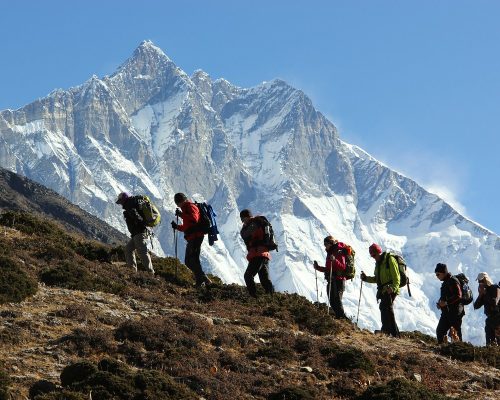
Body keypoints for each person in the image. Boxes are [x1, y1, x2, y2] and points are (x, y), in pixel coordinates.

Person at [171, 193, 211, 287]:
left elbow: (194, 219)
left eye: (178, 203)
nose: (178, 205)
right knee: (191, 261)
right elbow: (187, 227)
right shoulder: (185, 209)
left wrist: (181, 215)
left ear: (182, 201)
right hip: (192, 237)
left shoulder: (190, 206)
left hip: (196, 237)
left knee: (191, 261)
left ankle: (202, 280)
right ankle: (202, 280)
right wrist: (177, 227)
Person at [360, 243, 400, 337]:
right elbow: (377, 279)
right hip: (383, 290)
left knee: (385, 308)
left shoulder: (389, 259)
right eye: (372, 255)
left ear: (379, 252)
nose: (373, 257)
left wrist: (393, 288)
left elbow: (396, 277)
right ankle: (394, 334)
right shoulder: (378, 264)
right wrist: (366, 278)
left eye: (374, 255)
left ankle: (387, 332)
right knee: (386, 309)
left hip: (391, 289)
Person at [115, 192, 154, 274]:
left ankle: (151, 273)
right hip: (137, 232)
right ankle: (132, 271)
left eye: (121, 201)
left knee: (142, 252)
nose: (121, 204)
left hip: (139, 231)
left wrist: (140, 223)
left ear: (124, 200)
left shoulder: (129, 204)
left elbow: (135, 215)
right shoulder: (133, 203)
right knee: (128, 249)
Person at [239, 209, 274, 298]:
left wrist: (245, 229)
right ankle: (272, 299)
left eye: (243, 219)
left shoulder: (254, 224)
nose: (243, 221)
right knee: (264, 280)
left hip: (258, 254)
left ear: (247, 217)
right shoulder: (259, 222)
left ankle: (253, 297)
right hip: (263, 254)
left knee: (248, 276)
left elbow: (246, 235)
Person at [313, 235, 348, 318]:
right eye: (324, 244)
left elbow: (342, 266)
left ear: (331, 243)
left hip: (338, 280)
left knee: (337, 300)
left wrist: (335, 260)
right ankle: (339, 317)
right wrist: (318, 267)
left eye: (326, 244)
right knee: (332, 300)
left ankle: (342, 318)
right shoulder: (330, 253)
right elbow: (329, 269)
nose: (325, 246)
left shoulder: (339, 251)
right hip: (331, 280)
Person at [434, 263, 464, 344]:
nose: (437, 276)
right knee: (440, 332)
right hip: (446, 313)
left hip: (455, 313)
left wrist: (446, 303)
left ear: (443, 272)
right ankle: (443, 351)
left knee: (456, 335)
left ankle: (460, 354)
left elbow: (458, 295)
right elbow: (446, 296)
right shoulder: (445, 282)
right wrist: (440, 303)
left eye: (438, 274)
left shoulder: (453, 281)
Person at [473, 272, 500, 345]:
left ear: (486, 280)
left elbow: (495, 302)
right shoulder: (484, 291)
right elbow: (476, 306)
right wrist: (480, 295)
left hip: (498, 318)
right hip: (489, 319)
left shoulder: (495, 288)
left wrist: (485, 294)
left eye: (481, 281)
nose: (480, 283)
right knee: (489, 342)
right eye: (479, 282)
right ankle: (490, 355)